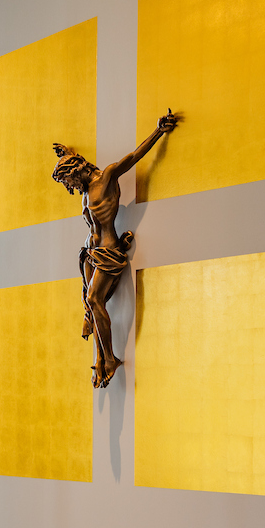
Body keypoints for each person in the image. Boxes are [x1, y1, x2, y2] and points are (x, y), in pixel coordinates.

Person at [51, 109, 179, 388]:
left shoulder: (107, 177)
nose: (69, 188)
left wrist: (159, 131)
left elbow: (133, 157)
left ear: (76, 171)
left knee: (96, 301)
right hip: (89, 252)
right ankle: (99, 359)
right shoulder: (84, 190)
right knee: (91, 303)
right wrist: (64, 153)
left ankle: (109, 358)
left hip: (108, 249)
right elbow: (76, 168)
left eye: (68, 181)